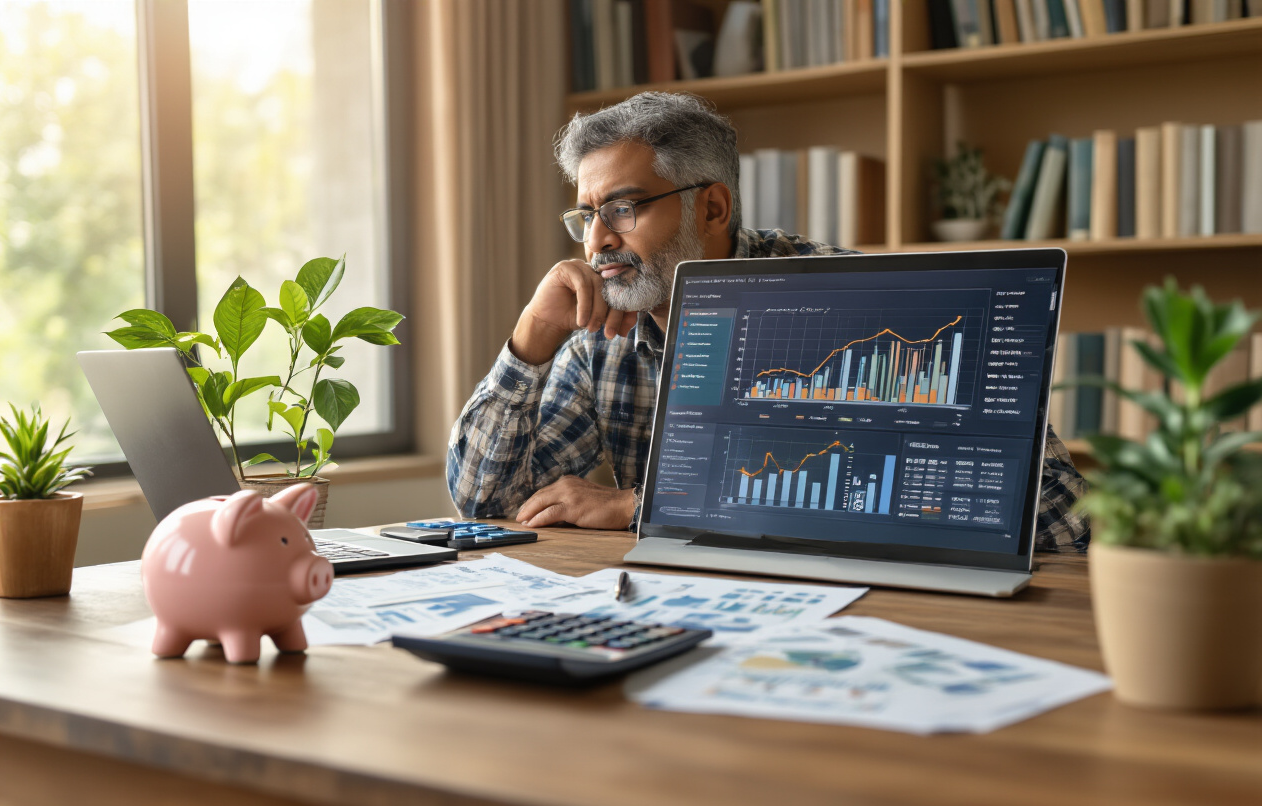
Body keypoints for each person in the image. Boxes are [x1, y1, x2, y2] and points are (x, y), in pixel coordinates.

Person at [447, 92, 1090, 553]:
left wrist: (647, 507)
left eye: (620, 209)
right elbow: (487, 501)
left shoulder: (867, 301)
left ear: (713, 208)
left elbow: (1065, 517)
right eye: (586, 216)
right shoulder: (603, 337)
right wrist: (532, 338)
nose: (596, 243)